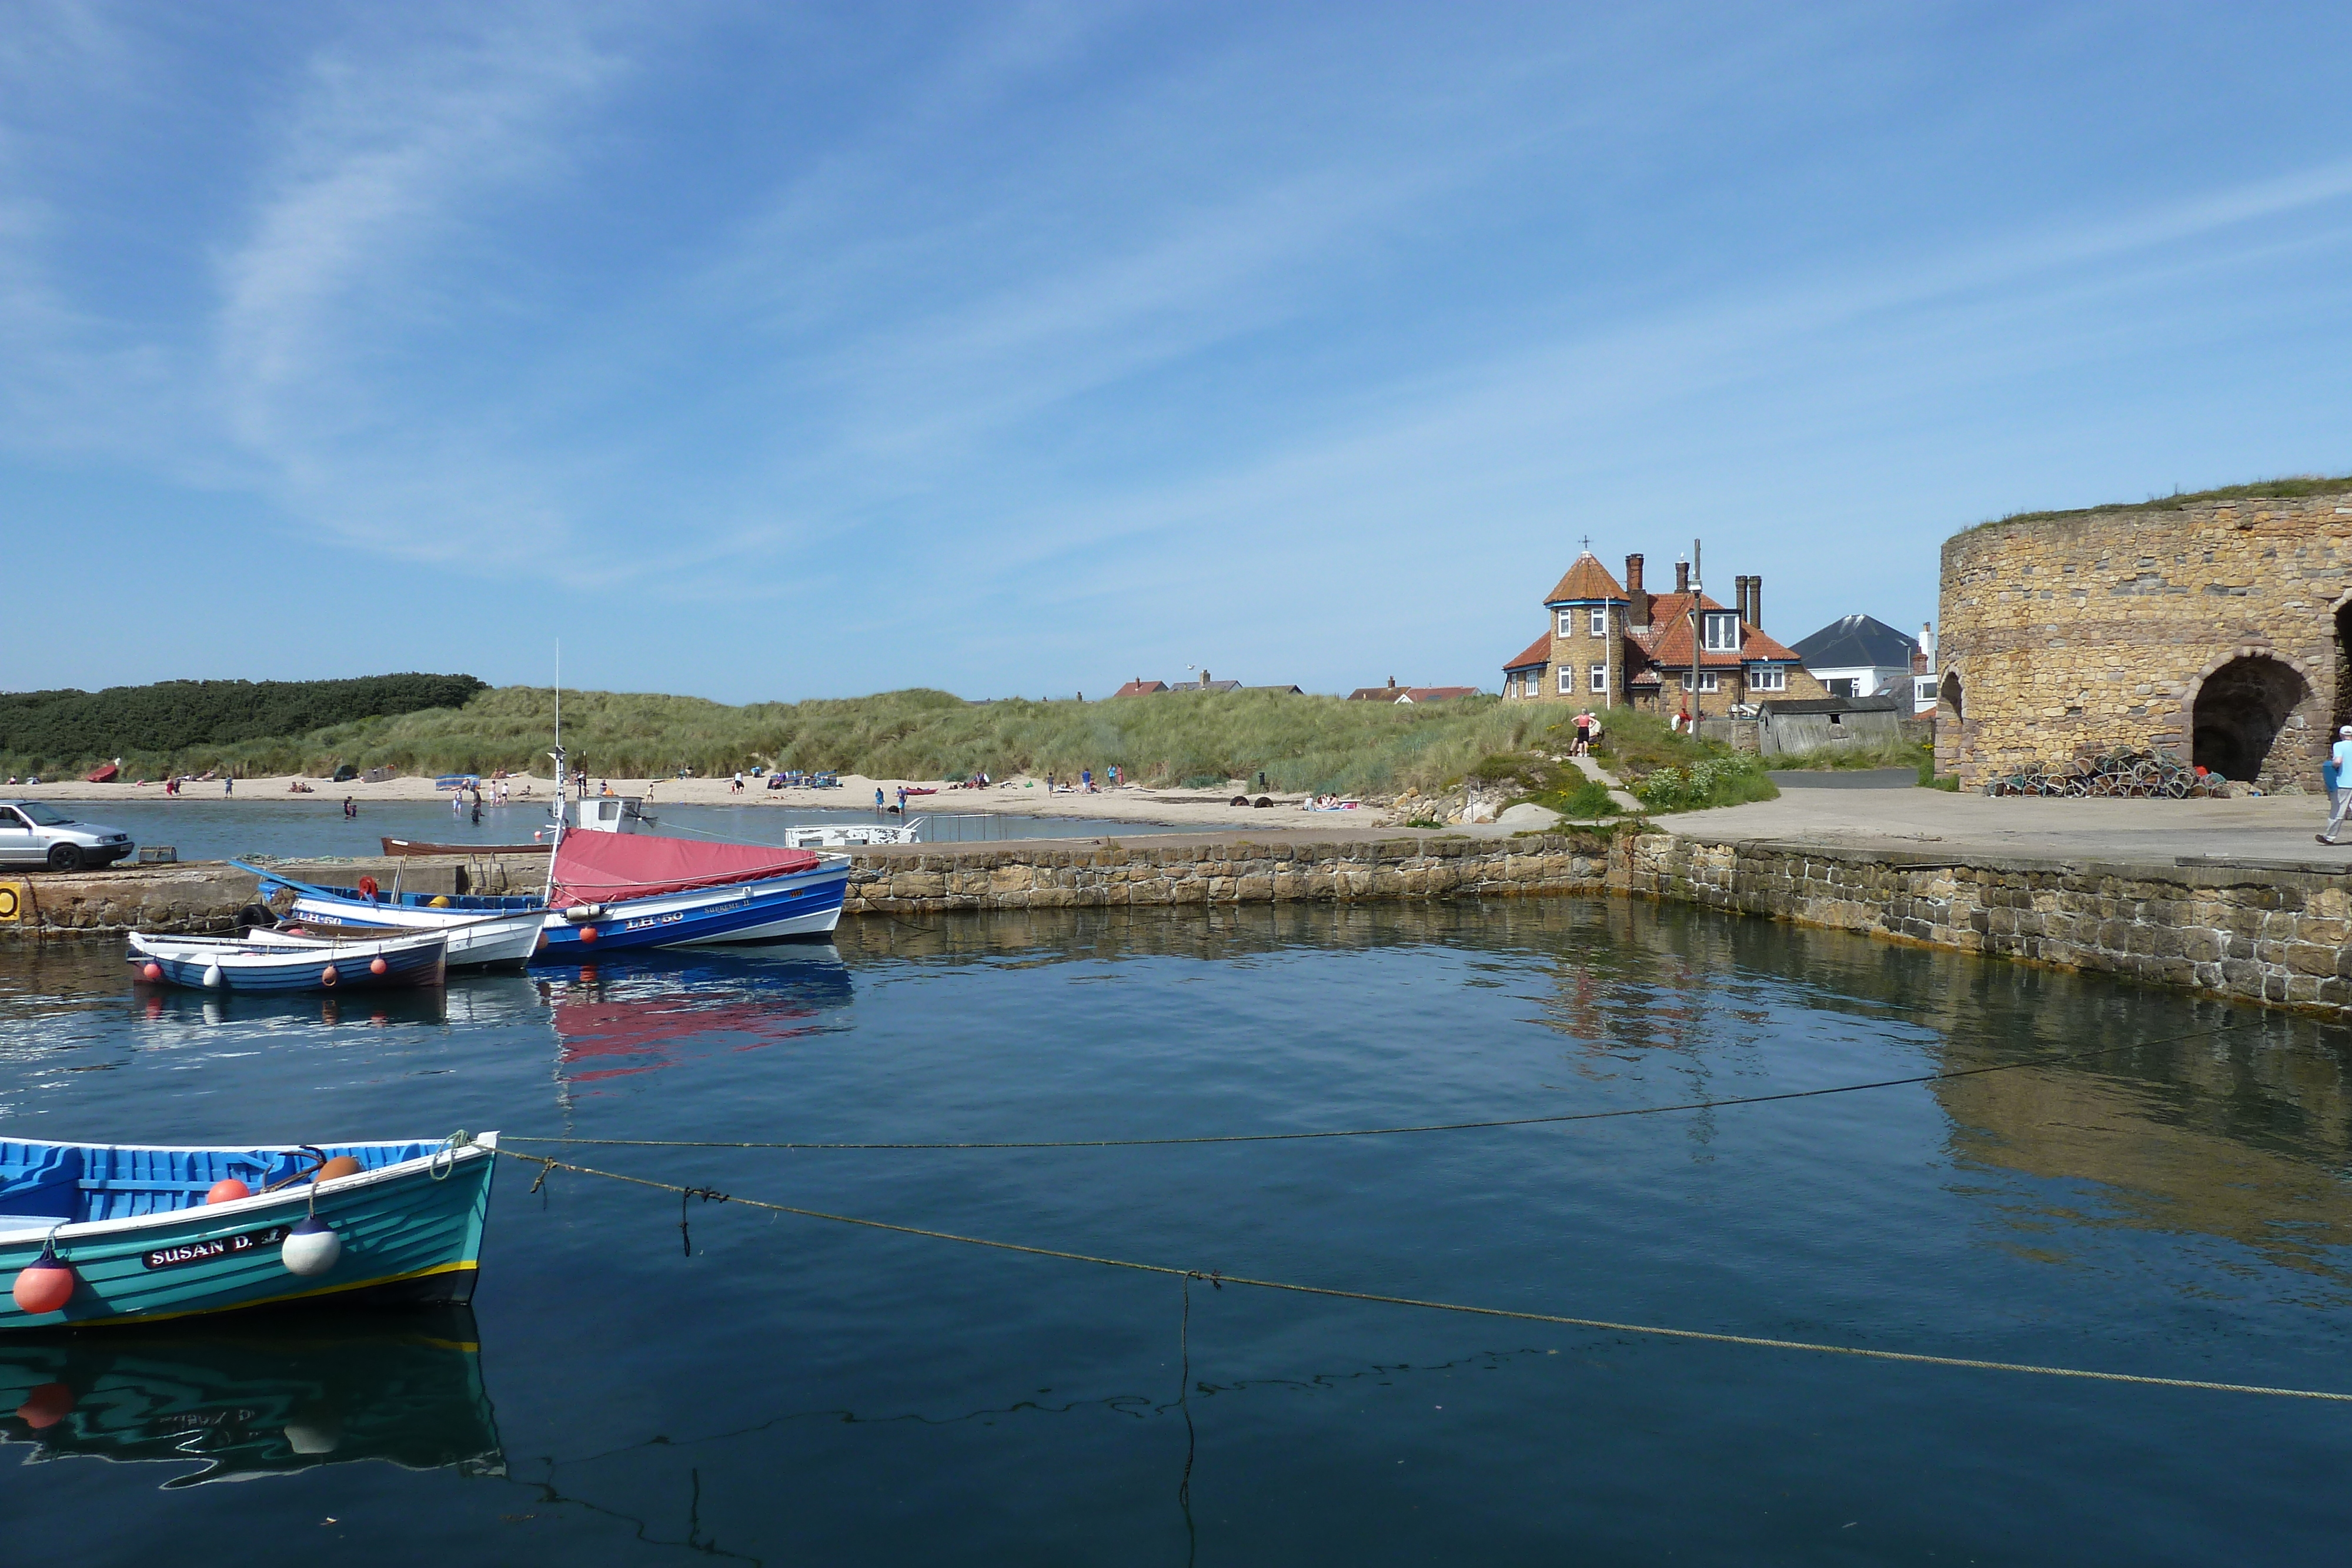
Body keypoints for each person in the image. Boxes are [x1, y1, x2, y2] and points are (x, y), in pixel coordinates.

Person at [2321, 726, 2352, 843]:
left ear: (2341, 735)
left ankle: (2329, 837)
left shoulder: (2339, 746)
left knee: (2338, 810)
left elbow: (2338, 761)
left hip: (2344, 783)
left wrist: (2331, 765)